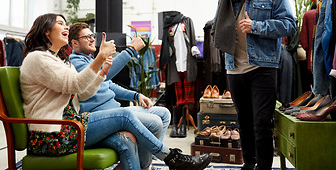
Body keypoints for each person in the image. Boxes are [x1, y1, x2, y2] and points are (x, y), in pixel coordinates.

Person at [20, 13, 212, 170]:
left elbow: (83, 93)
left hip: (71, 126)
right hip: (52, 133)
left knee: (127, 139)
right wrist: (102, 58)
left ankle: (158, 162)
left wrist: (102, 71)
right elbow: (77, 85)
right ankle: (171, 157)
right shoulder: (38, 59)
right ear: (46, 32)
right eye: (60, 23)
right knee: (125, 114)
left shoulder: (60, 61)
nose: (66, 27)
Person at [211, 0, 296, 170]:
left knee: (261, 123)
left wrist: (256, 26)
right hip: (234, 68)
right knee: (244, 123)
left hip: (262, 67)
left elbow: (290, 25)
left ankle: (264, 167)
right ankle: (249, 164)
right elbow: (216, 26)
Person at [68, 22, 171, 170]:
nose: (92, 39)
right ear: (75, 43)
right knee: (154, 123)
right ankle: (148, 164)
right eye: (87, 37)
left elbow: (108, 84)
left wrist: (136, 96)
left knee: (164, 114)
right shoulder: (76, 61)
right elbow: (104, 75)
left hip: (115, 110)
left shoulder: (90, 59)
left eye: (92, 36)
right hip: (101, 116)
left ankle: (147, 162)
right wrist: (131, 50)